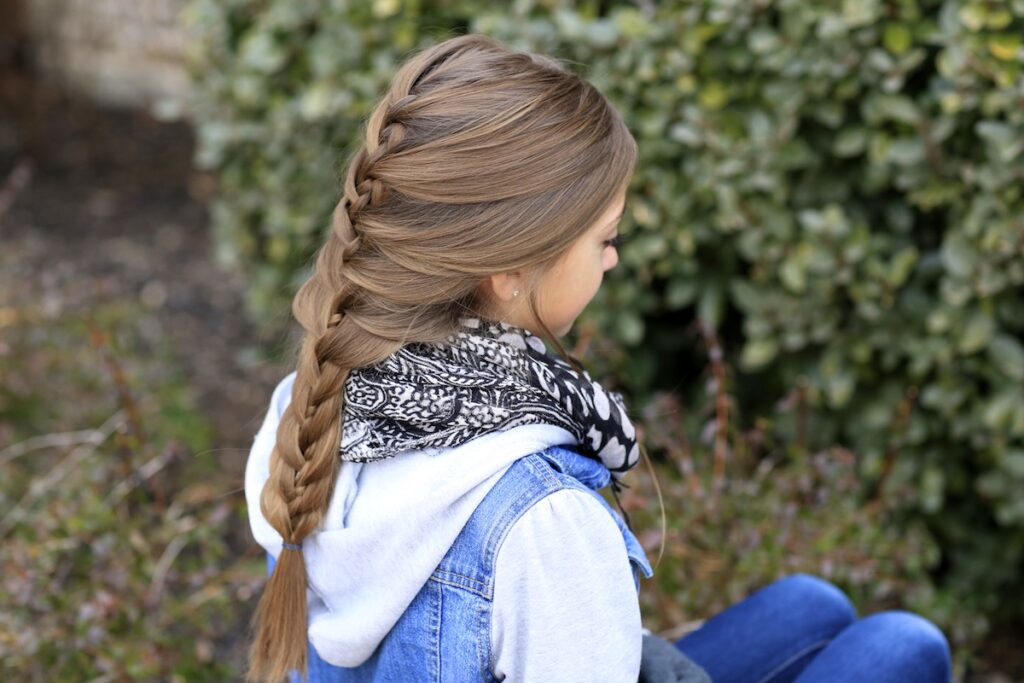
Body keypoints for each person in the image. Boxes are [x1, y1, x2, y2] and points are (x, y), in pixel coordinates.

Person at [243, 33, 953, 683]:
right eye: (603, 237)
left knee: (813, 602)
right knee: (905, 644)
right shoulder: (543, 523)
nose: (613, 258)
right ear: (509, 270)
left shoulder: (309, 401)